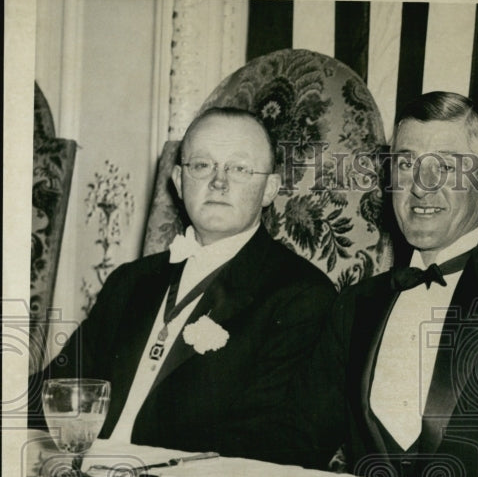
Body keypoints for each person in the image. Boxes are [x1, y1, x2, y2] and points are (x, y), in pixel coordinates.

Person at [271, 92, 478, 477]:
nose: (421, 187)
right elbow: (293, 443)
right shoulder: (354, 305)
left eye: (445, 166)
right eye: (406, 164)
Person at [31, 107, 337, 458]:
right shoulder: (129, 281)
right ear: (178, 180)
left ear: (269, 189)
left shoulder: (301, 296)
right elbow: (56, 391)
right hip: (87, 473)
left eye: (239, 169)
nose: (218, 182)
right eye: (202, 165)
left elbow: (279, 443)